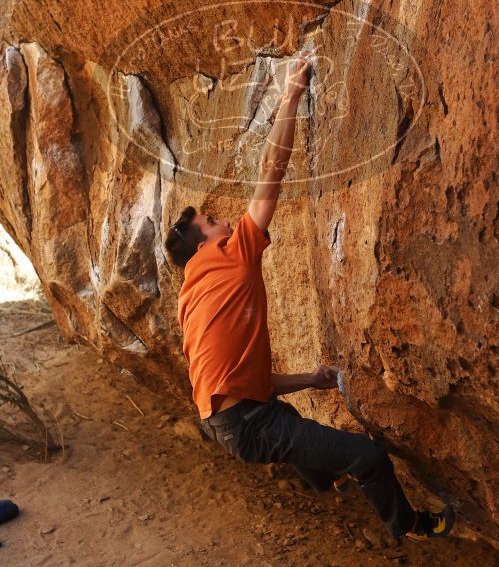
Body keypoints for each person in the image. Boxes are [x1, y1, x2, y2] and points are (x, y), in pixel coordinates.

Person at [165, 56, 455, 542]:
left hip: (230, 422)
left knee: (293, 427)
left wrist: (312, 379)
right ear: (206, 243)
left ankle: (325, 475)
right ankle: (412, 524)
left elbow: (247, 382)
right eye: (212, 223)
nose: (223, 221)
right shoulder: (230, 255)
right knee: (368, 456)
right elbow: (270, 173)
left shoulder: (194, 287)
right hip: (249, 425)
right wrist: (292, 94)